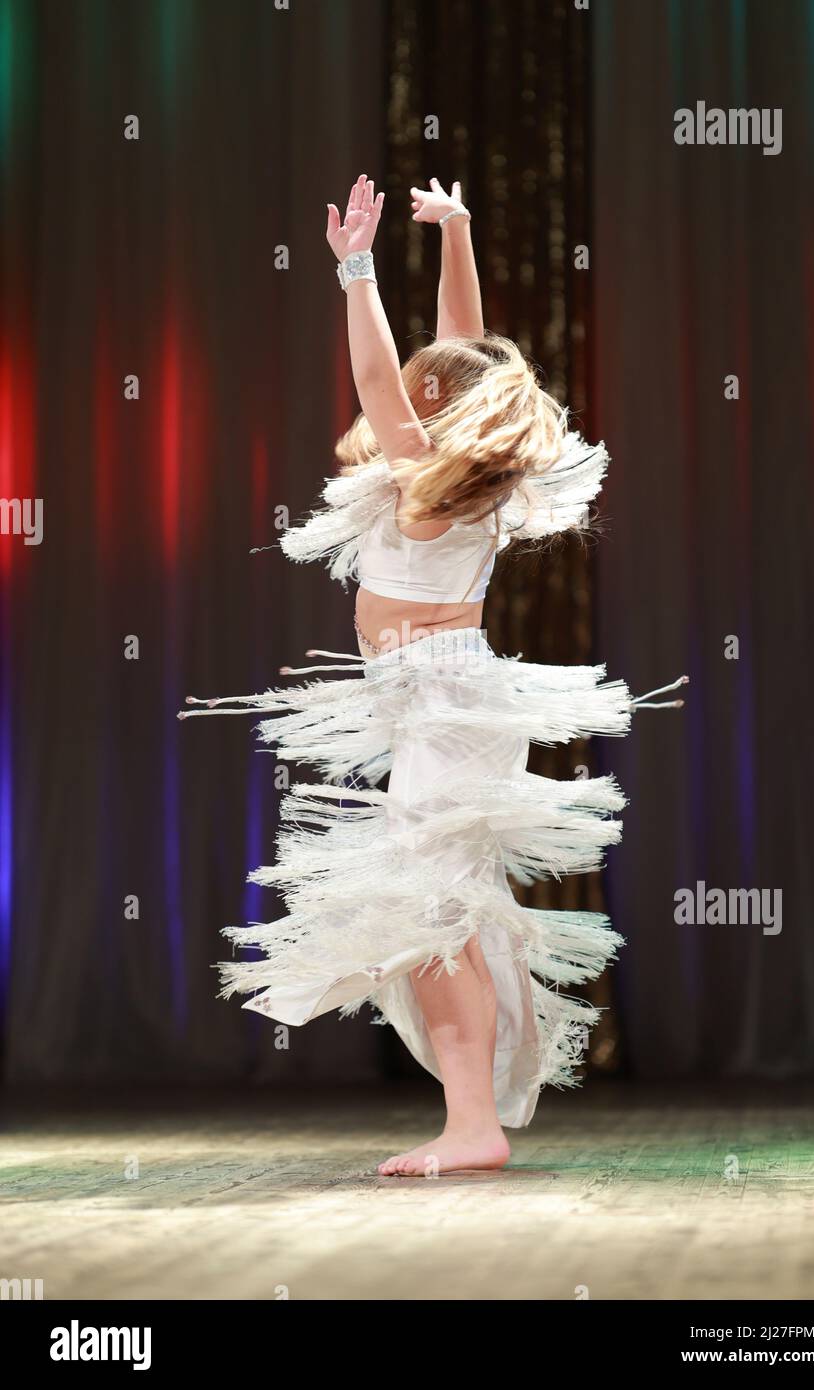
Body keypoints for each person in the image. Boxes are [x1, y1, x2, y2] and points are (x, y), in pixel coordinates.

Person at [181, 175, 685, 1176]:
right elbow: (464, 349)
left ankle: (473, 1123)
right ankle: (472, 1117)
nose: (405, 380)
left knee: (435, 910)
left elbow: (384, 376)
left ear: (429, 402)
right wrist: (455, 232)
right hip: (436, 698)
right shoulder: (449, 467)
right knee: (439, 909)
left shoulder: (429, 471)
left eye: (419, 381)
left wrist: (357, 271)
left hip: (443, 698)